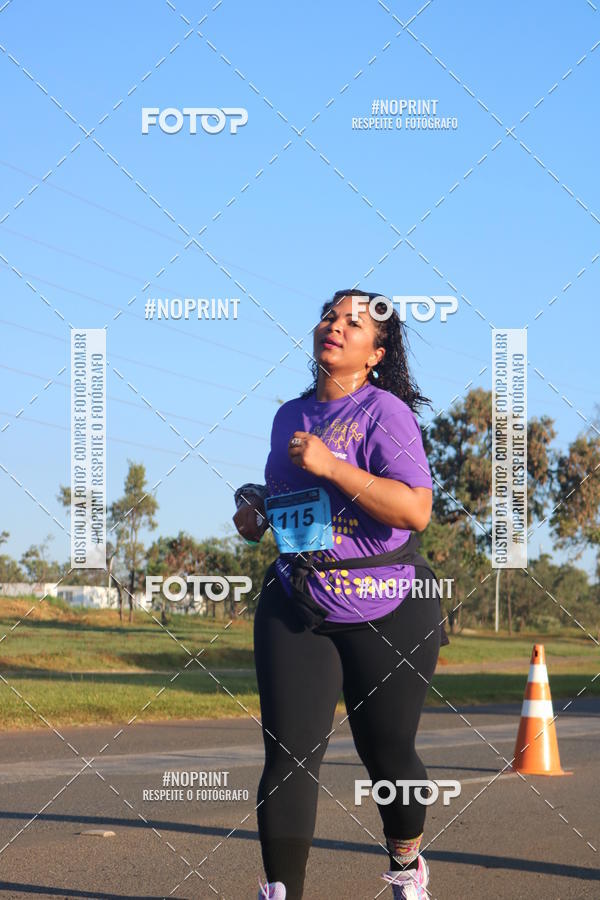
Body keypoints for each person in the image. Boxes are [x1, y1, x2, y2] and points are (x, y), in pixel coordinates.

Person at [232, 289, 449, 900]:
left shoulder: (385, 413)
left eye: (354, 323)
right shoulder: (288, 417)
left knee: (389, 756)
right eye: (331, 315)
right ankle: (280, 893)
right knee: (288, 758)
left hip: (391, 606)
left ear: (375, 353)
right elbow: (294, 504)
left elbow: (414, 508)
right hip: (299, 599)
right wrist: (256, 506)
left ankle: (407, 866)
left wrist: (333, 466)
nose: (336, 326)